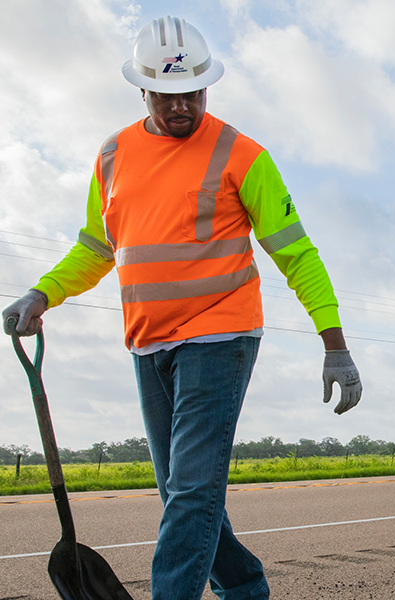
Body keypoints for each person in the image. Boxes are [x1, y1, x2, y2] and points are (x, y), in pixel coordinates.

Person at [2, 15, 362, 600]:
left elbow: (297, 254)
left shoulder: (242, 155)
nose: (181, 107)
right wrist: (43, 293)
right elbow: (96, 249)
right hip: (148, 342)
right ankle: (245, 588)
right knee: (183, 493)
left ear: (207, 87)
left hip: (221, 335)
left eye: (193, 93)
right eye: (168, 96)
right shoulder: (113, 156)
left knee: (193, 491)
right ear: (142, 89)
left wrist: (335, 345)